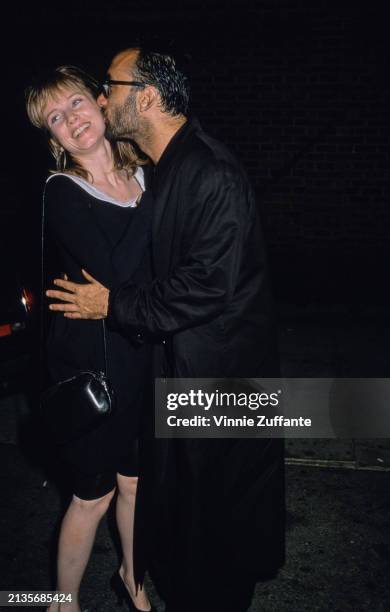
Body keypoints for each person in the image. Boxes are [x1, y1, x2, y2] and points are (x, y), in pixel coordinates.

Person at [47, 48, 286, 612]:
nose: (99, 102)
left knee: (197, 502)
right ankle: (57, 601)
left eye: (102, 90)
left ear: (145, 98)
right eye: (56, 116)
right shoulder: (148, 172)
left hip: (212, 374)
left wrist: (113, 303)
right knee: (113, 494)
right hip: (130, 365)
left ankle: (157, 586)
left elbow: (202, 288)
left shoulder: (192, 171)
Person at [25, 66, 154, 612]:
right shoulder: (63, 191)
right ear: (52, 138)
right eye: (56, 118)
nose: (71, 119)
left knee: (134, 483)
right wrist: (160, 196)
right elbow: (120, 268)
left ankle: (132, 577)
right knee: (92, 494)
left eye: (76, 103)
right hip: (90, 370)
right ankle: (62, 602)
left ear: (101, 103)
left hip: (142, 355)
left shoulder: (146, 176)